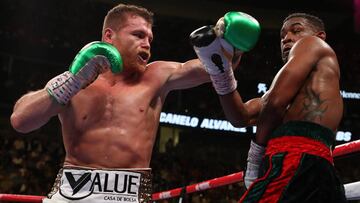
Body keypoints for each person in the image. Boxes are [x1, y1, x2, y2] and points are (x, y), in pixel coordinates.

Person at [10, 3, 258, 203]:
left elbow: (214, 67)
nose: (147, 43)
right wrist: (72, 82)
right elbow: (21, 120)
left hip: (131, 195)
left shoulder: (158, 76)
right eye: (138, 35)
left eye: (150, 38)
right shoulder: (76, 80)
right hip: (71, 192)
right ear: (109, 36)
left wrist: (226, 41)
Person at [193, 13, 347, 202]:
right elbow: (240, 117)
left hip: (296, 160)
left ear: (320, 36)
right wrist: (221, 72)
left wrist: (256, 154)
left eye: (296, 30)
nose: (287, 38)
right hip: (315, 169)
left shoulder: (314, 44)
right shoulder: (283, 91)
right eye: (282, 35)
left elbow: (274, 104)